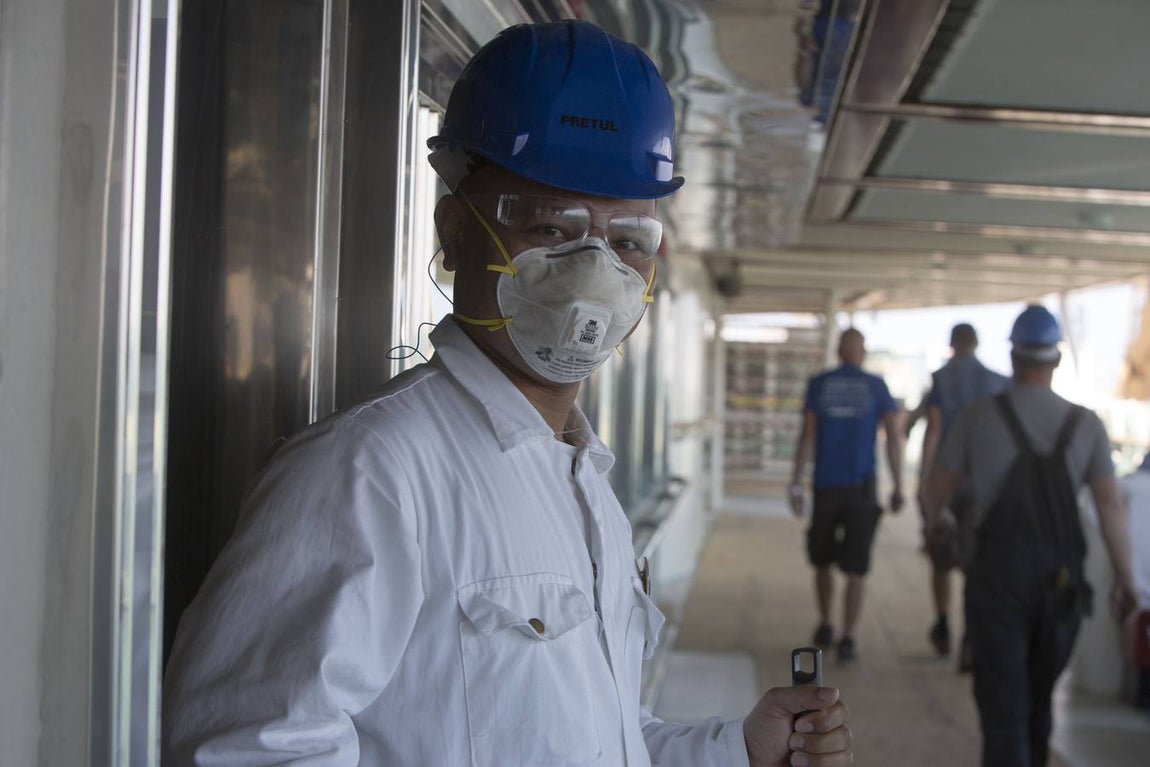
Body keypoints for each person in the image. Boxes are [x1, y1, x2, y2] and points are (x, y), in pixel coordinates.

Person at [162, 20, 852, 767]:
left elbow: (603, 737)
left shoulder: (586, 486)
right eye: (552, 227)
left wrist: (735, 753)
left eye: (626, 241)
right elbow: (245, 751)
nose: (594, 272)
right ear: (455, 233)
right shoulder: (368, 475)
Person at [922, 305, 1136, 767]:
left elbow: (936, 488)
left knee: (1004, 709)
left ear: (1014, 358)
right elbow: (1110, 507)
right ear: (1055, 360)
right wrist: (1126, 578)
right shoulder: (1087, 424)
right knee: (1039, 707)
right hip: (1061, 583)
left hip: (997, 580)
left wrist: (938, 520)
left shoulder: (978, 416)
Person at [789, 328, 905, 663]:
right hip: (860, 489)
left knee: (822, 561)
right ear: (862, 351)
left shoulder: (820, 384)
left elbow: (807, 437)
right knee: (857, 566)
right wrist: (897, 484)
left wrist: (797, 483)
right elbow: (894, 438)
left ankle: (826, 623)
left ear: (840, 350)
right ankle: (848, 636)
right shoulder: (875, 386)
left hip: (826, 486)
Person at [918, 323, 1009, 659]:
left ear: (952, 344)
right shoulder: (999, 383)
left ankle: (942, 623)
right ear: (977, 343)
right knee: (975, 563)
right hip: (983, 482)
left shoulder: (942, 378)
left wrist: (926, 487)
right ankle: (971, 634)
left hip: (946, 478)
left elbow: (934, 429)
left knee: (940, 556)